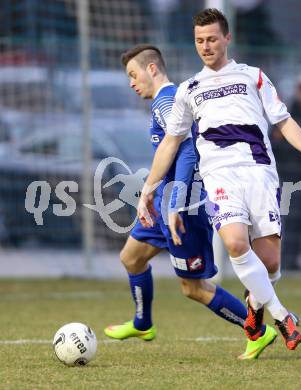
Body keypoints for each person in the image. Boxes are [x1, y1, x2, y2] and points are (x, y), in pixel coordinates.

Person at [138, 8, 301, 351]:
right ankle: (282, 316)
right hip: (220, 178)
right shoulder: (189, 89)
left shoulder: (253, 77)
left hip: (259, 172)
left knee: (271, 263)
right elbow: (171, 143)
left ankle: (255, 304)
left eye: (212, 39)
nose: (206, 46)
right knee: (235, 243)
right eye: (200, 41)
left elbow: (284, 121)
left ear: (227, 38)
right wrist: (149, 188)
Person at [104, 44, 278, 360]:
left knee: (193, 288)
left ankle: (257, 331)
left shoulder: (167, 101)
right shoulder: (163, 101)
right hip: (166, 205)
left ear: (152, 68)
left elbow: (187, 147)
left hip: (185, 210)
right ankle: (143, 324)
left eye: (133, 74)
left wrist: (176, 201)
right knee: (131, 258)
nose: (131, 82)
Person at [271, 74, 301, 270]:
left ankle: (293, 257)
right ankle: (285, 258)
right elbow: (275, 144)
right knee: (287, 217)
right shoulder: (286, 114)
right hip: (286, 173)